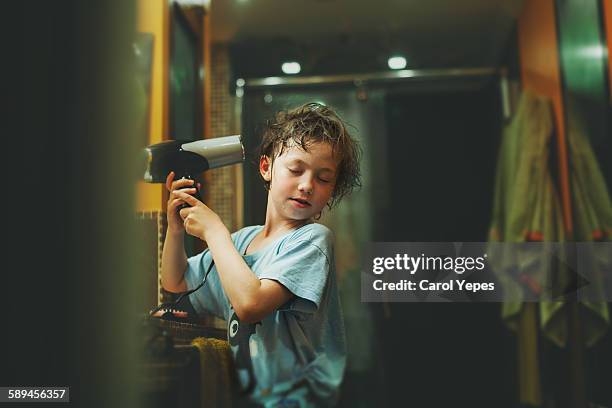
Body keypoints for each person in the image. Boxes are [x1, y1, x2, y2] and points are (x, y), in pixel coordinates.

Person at [161, 102, 362, 407]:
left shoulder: (312, 240)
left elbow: (251, 304)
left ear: (332, 190)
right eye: (296, 170)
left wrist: (214, 231)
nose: (307, 185)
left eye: (323, 179)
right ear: (267, 168)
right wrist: (175, 230)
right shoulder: (240, 243)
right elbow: (176, 282)